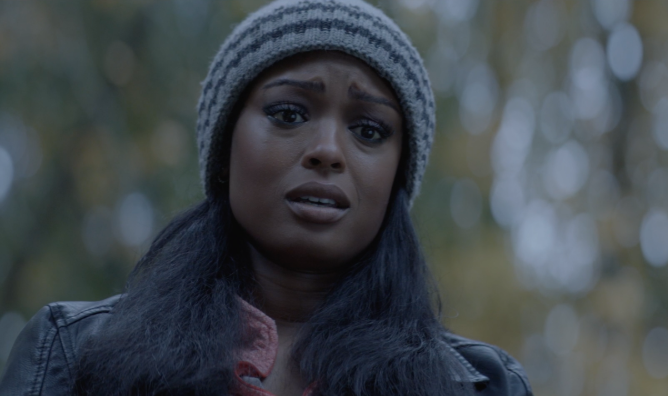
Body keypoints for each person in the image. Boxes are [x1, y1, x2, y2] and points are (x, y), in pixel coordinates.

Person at [0, 0, 533, 395]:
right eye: (289, 114)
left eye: (369, 130)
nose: (328, 151)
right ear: (225, 151)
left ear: (397, 177)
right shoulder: (72, 352)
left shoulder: (483, 385)